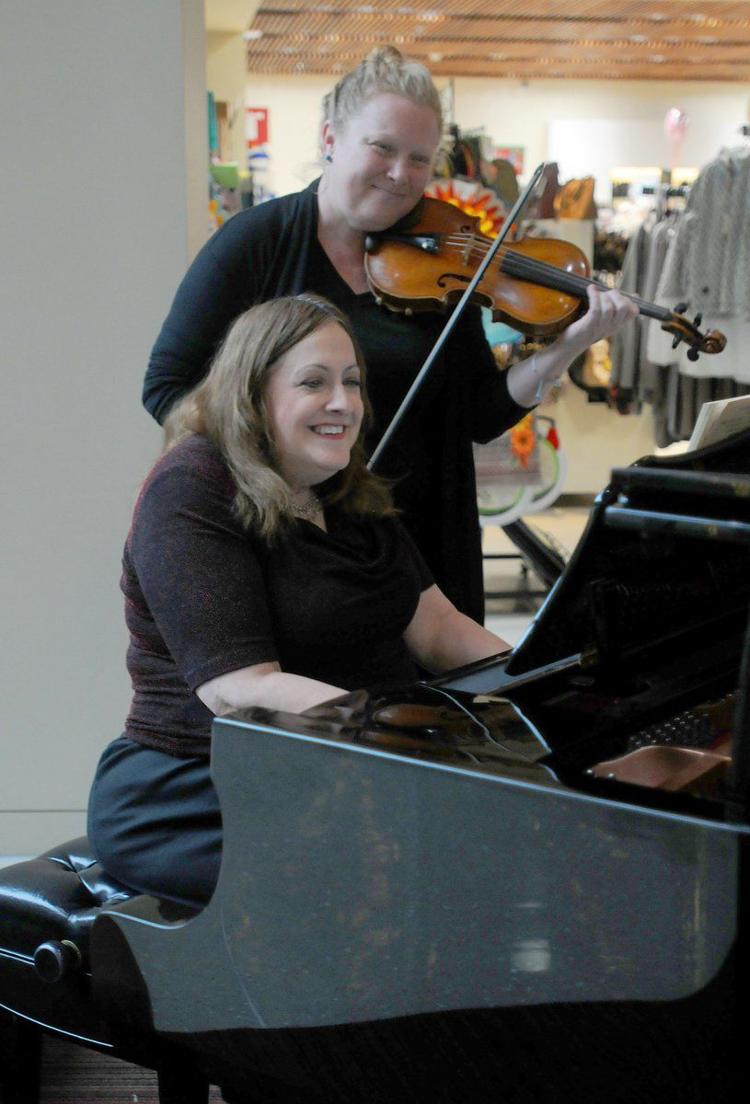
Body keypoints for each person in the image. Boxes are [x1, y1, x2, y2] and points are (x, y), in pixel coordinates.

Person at [143, 46, 638, 622]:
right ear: (331, 139)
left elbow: (479, 413)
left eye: (420, 159)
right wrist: (278, 472)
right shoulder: (259, 242)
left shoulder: (441, 254)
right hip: (294, 547)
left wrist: (569, 345)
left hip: (422, 543)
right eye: (382, 148)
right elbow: (167, 387)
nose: (402, 175)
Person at [88, 294, 515, 908]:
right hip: (198, 787)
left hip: (340, 763)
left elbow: (440, 630)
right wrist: (405, 738)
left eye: (352, 382)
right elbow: (239, 687)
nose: (343, 402)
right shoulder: (191, 487)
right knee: (434, 862)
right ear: (252, 393)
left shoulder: (342, 485)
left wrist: (543, 681)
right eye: (313, 383)